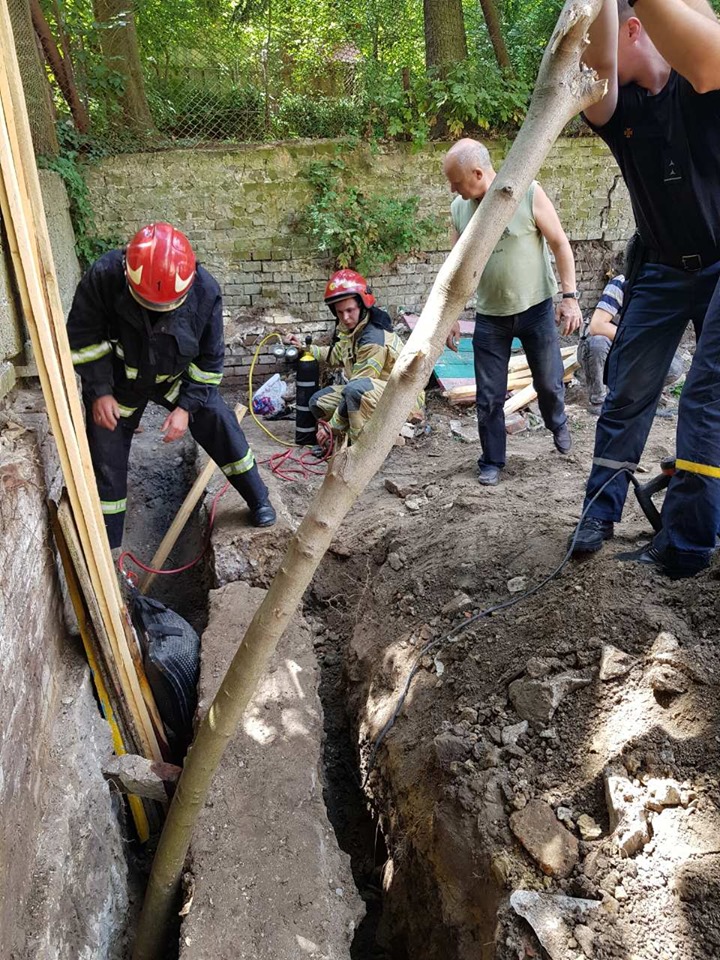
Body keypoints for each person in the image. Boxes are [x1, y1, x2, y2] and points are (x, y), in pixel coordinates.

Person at [570, 0, 720, 578]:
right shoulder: (618, 107)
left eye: (608, 32)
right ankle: (598, 513)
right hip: (659, 270)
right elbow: (598, 63)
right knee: (626, 393)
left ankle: (693, 535)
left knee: (707, 400)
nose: (595, 55)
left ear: (638, 28)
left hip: (719, 266)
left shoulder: (702, 82)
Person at [67, 222, 276, 551]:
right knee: (105, 453)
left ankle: (258, 499)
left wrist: (186, 408)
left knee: (219, 422)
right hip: (123, 381)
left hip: (176, 380)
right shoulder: (104, 277)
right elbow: (83, 338)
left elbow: (209, 363)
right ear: (128, 275)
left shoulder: (206, 291)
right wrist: (100, 389)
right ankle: (110, 549)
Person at [444, 138, 583, 486]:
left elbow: (560, 243)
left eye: (456, 181)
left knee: (549, 383)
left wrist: (570, 297)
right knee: (489, 396)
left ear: (478, 173)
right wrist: (450, 318)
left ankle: (557, 422)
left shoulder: (527, 193)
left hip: (536, 310)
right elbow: (456, 270)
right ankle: (492, 460)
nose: (452, 188)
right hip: (491, 317)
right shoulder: (459, 210)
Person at [289, 269, 423, 447]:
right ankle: (345, 438)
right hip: (375, 395)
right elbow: (334, 355)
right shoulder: (353, 332)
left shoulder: (373, 340)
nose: (345, 317)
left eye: (350, 310)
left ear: (362, 305)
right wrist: (305, 349)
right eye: (340, 312)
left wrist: (331, 426)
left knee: (354, 391)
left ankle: (361, 450)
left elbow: (358, 387)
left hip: (403, 399)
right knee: (318, 402)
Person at [577, 273, 684, 414]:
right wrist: (637, 340)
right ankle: (599, 401)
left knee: (674, 366)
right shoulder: (622, 283)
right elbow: (597, 326)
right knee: (598, 343)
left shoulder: (666, 289)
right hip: (608, 347)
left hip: (634, 350)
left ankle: (637, 399)